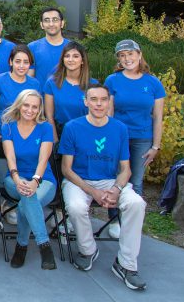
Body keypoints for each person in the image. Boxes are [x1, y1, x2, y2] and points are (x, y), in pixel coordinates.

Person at [59, 84, 147, 291]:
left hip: (109, 181)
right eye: (94, 99)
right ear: (86, 102)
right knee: (76, 206)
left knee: (136, 203)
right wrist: (93, 192)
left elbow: (125, 169)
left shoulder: (120, 129)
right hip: (78, 181)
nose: (99, 104)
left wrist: (116, 189)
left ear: (109, 102)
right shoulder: (73, 127)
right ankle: (88, 250)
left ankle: (126, 265)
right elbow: (66, 169)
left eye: (103, 100)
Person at [104, 39, 164, 237]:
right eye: (122, 55)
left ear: (139, 55)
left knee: (136, 181)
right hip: (118, 137)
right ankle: (114, 220)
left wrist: (156, 146)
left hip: (142, 138)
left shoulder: (153, 83)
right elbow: (108, 113)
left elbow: (157, 117)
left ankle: (131, 223)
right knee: (116, 178)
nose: (127, 58)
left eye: (130, 54)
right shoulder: (112, 80)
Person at [0, 90, 57, 270]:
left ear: (39, 109)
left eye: (35, 106)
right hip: (14, 178)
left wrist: (35, 181)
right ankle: (44, 245)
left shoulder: (45, 127)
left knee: (28, 198)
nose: (30, 110)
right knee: (27, 196)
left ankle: (21, 245)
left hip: (43, 179)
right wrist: (17, 179)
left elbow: (43, 160)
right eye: (26, 105)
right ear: (19, 105)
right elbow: (10, 158)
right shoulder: (8, 126)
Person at [0, 44, 42, 139]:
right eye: (18, 61)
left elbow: (37, 113)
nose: (21, 66)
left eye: (26, 62)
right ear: (11, 62)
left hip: (25, 136)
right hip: (1, 134)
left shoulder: (35, 84)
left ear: (30, 64)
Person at [44, 41, 96, 141]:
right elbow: (49, 116)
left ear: (82, 60)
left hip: (85, 133)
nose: (71, 60)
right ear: (63, 59)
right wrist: (55, 142)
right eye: (67, 56)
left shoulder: (93, 85)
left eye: (76, 56)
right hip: (60, 133)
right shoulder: (52, 83)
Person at [28, 7, 69, 84]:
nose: (51, 24)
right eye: (46, 20)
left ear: (62, 23)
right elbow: (29, 77)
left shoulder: (72, 48)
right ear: (42, 25)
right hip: (40, 95)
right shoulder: (32, 47)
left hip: (66, 95)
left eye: (55, 20)